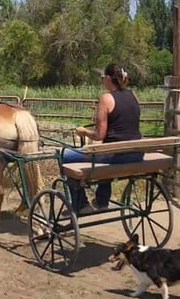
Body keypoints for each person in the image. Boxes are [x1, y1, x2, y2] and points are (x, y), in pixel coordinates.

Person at [61, 62, 144, 213]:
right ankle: (101, 201)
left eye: (102, 78)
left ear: (107, 78)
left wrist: (84, 131)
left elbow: (99, 135)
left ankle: (81, 204)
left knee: (64, 156)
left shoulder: (106, 98)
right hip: (136, 153)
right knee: (107, 150)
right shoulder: (133, 96)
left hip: (115, 155)